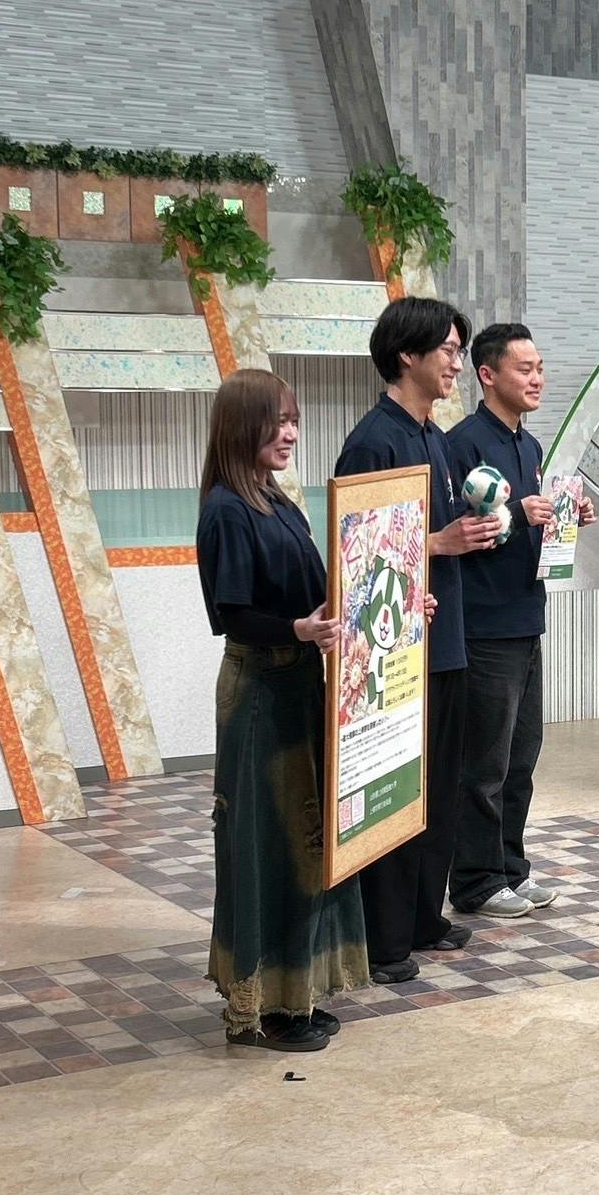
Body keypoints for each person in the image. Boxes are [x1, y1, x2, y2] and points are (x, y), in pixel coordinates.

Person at [196, 369, 369, 1052]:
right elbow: (231, 614)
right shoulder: (227, 509)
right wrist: (299, 630)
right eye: (278, 421)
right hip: (260, 692)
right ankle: (261, 1009)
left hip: (297, 685)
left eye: (294, 420)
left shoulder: (276, 499)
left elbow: (323, 591)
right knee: (265, 846)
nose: (291, 432)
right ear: (244, 427)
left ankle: (296, 995)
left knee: (305, 839)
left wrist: (397, 598)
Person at [335, 297, 501, 983]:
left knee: (438, 788)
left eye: (459, 350)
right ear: (408, 355)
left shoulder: (432, 434)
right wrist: (437, 542)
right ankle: (384, 939)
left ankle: (424, 917)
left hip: (446, 638)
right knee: (394, 794)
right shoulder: (374, 441)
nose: (456, 362)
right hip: (397, 653)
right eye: (449, 350)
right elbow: (357, 555)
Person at [446, 323, 596, 919]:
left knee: (521, 757)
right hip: (483, 625)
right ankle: (476, 881)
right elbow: (457, 532)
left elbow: (526, 527)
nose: (537, 379)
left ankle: (511, 869)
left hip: (526, 617)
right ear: (487, 374)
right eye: (524, 369)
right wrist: (515, 511)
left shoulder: (528, 446)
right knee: (483, 763)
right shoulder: (462, 445)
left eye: (540, 369)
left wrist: (567, 516)